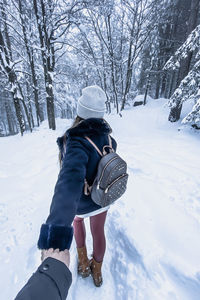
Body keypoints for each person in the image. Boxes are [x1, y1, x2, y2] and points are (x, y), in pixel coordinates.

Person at [37, 85, 117, 287]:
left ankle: (83, 264)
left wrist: (55, 231)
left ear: (80, 111)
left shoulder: (75, 141)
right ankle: (97, 272)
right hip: (103, 197)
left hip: (81, 202)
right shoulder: (109, 138)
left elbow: (70, 180)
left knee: (78, 224)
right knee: (99, 232)